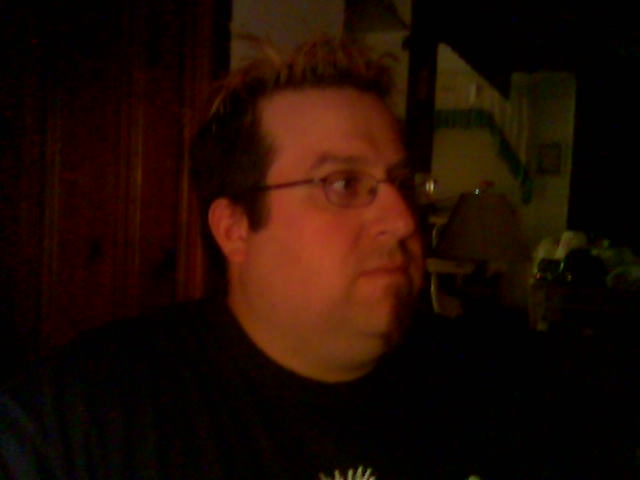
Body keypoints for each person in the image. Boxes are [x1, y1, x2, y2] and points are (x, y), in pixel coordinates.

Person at [1, 36, 632, 480]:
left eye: (401, 184)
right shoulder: (78, 421)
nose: (402, 220)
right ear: (235, 228)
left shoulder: (510, 391)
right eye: (343, 184)